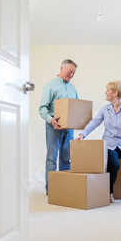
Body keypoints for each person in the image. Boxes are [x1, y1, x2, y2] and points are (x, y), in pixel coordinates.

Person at [39, 59, 79, 195]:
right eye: (70, 71)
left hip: (69, 129)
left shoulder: (73, 88)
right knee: (51, 158)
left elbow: (76, 106)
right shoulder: (50, 86)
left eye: (74, 73)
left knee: (66, 159)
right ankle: (51, 189)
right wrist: (51, 120)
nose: (72, 74)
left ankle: (64, 186)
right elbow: (42, 108)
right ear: (62, 68)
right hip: (54, 127)